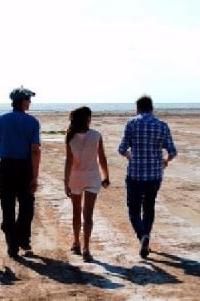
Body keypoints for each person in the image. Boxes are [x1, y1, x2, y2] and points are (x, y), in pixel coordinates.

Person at [117, 95, 177, 258]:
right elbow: (172, 151)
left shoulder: (131, 123)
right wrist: (165, 161)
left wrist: (130, 156)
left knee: (134, 208)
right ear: (152, 107)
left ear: (137, 108)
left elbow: (121, 148)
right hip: (154, 174)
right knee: (149, 206)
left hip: (135, 173)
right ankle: (146, 236)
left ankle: (142, 235)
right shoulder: (162, 125)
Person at [0, 86, 41, 258]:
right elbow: (35, 150)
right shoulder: (32, 122)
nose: (30, 103)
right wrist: (35, 176)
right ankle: (22, 238)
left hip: (6, 166)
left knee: (8, 207)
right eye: (28, 99)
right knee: (27, 207)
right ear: (22, 101)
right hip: (24, 167)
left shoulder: (0, 118)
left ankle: (13, 244)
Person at [64, 106, 110, 262]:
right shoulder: (96, 135)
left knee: (76, 212)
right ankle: (86, 249)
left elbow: (68, 162)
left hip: (75, 177)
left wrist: (66, 181)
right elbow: (102, 158)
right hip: (92, 177)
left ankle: (76, 242)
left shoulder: (70, 137)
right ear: (88, 119)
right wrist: (106, 176)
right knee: (88, 214)